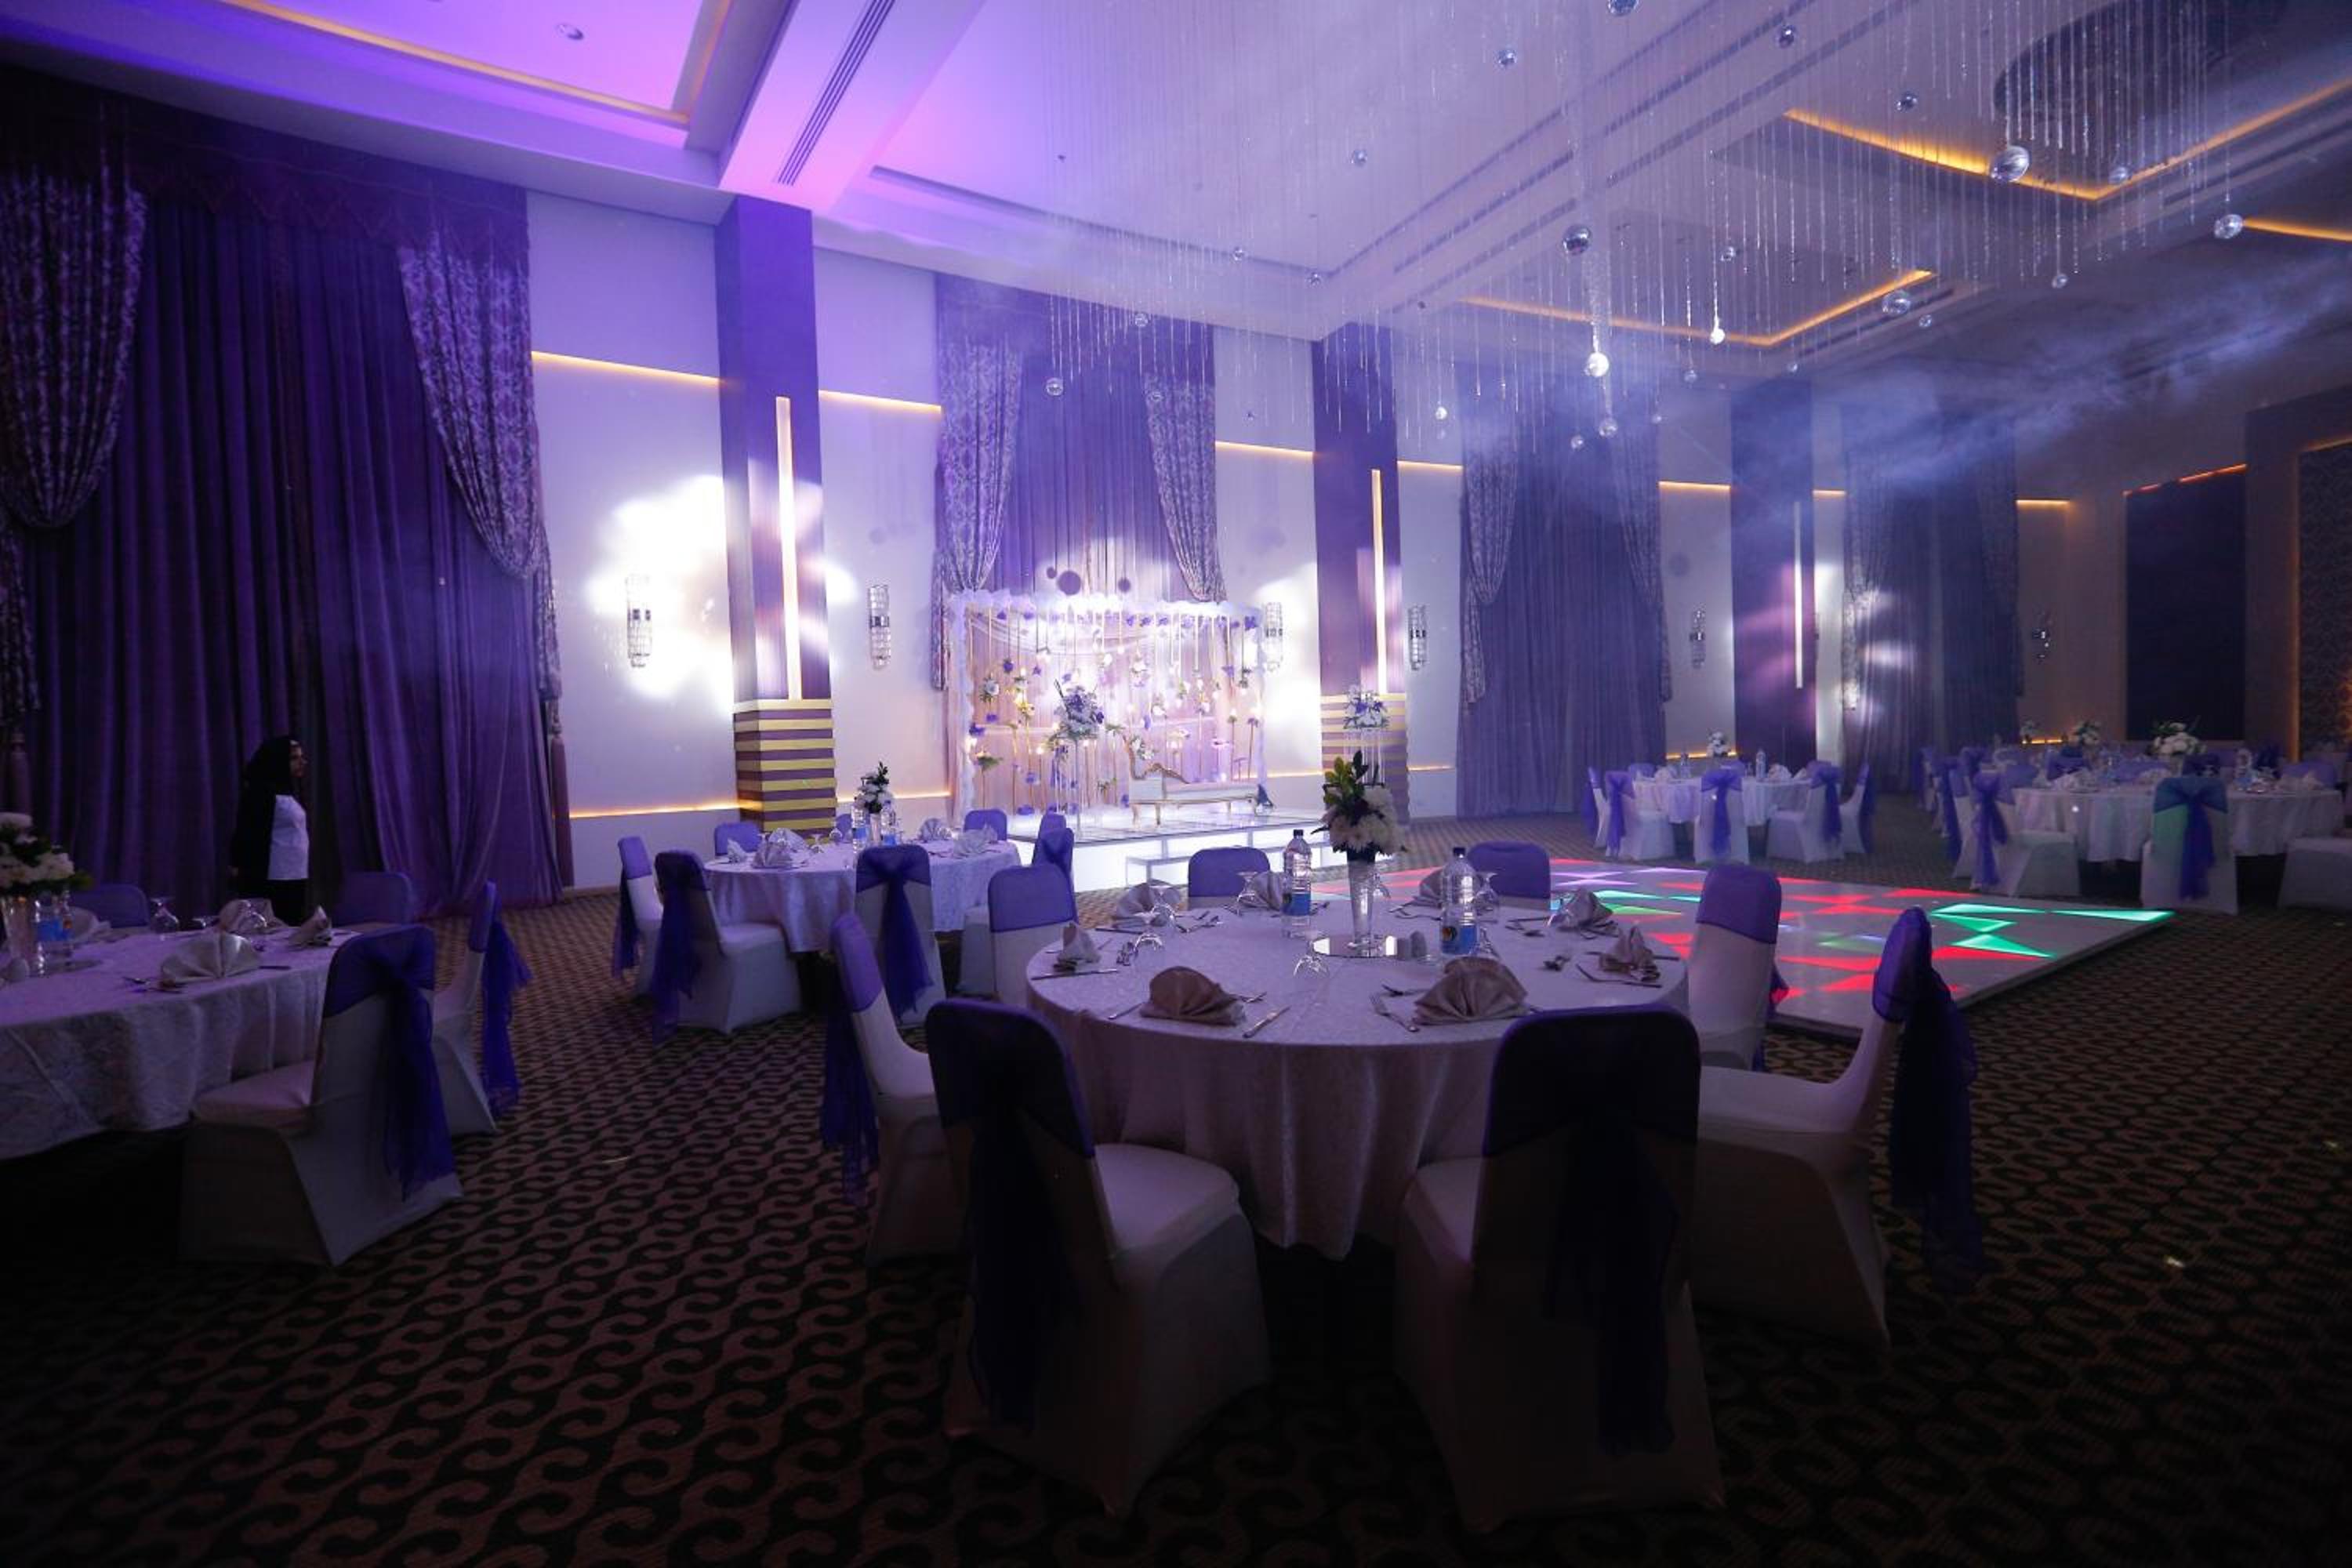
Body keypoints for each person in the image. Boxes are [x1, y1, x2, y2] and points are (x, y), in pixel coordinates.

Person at [229, 735, 310, 924]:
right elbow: (246, 832)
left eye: (302, 757)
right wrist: (239, 864)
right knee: (274, 926)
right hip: (273, 875)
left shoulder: (287, 792)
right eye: (294, 758)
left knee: (292, 923)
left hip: (294, 872)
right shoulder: (260, 793)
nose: (302, 762)